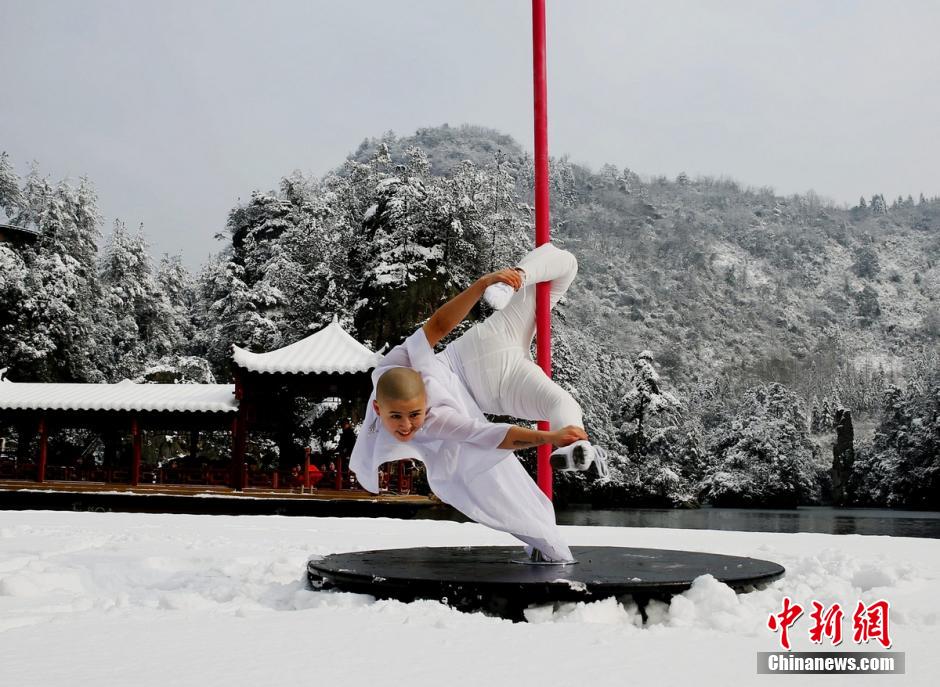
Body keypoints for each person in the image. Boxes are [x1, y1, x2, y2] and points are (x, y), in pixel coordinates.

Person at [350, 243, 608, 563]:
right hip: (485, 359)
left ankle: (572, 444)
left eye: (413, 414)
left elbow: (491, 435)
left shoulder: (428, 414)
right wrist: (484, 284)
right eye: (398, 418)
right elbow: (493, 434)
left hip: (488, 370)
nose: (407, 426)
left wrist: (485, 282)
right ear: (378, 409)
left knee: (565, 266)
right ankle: (574, 442)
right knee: (564, 266)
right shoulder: (394, 369)